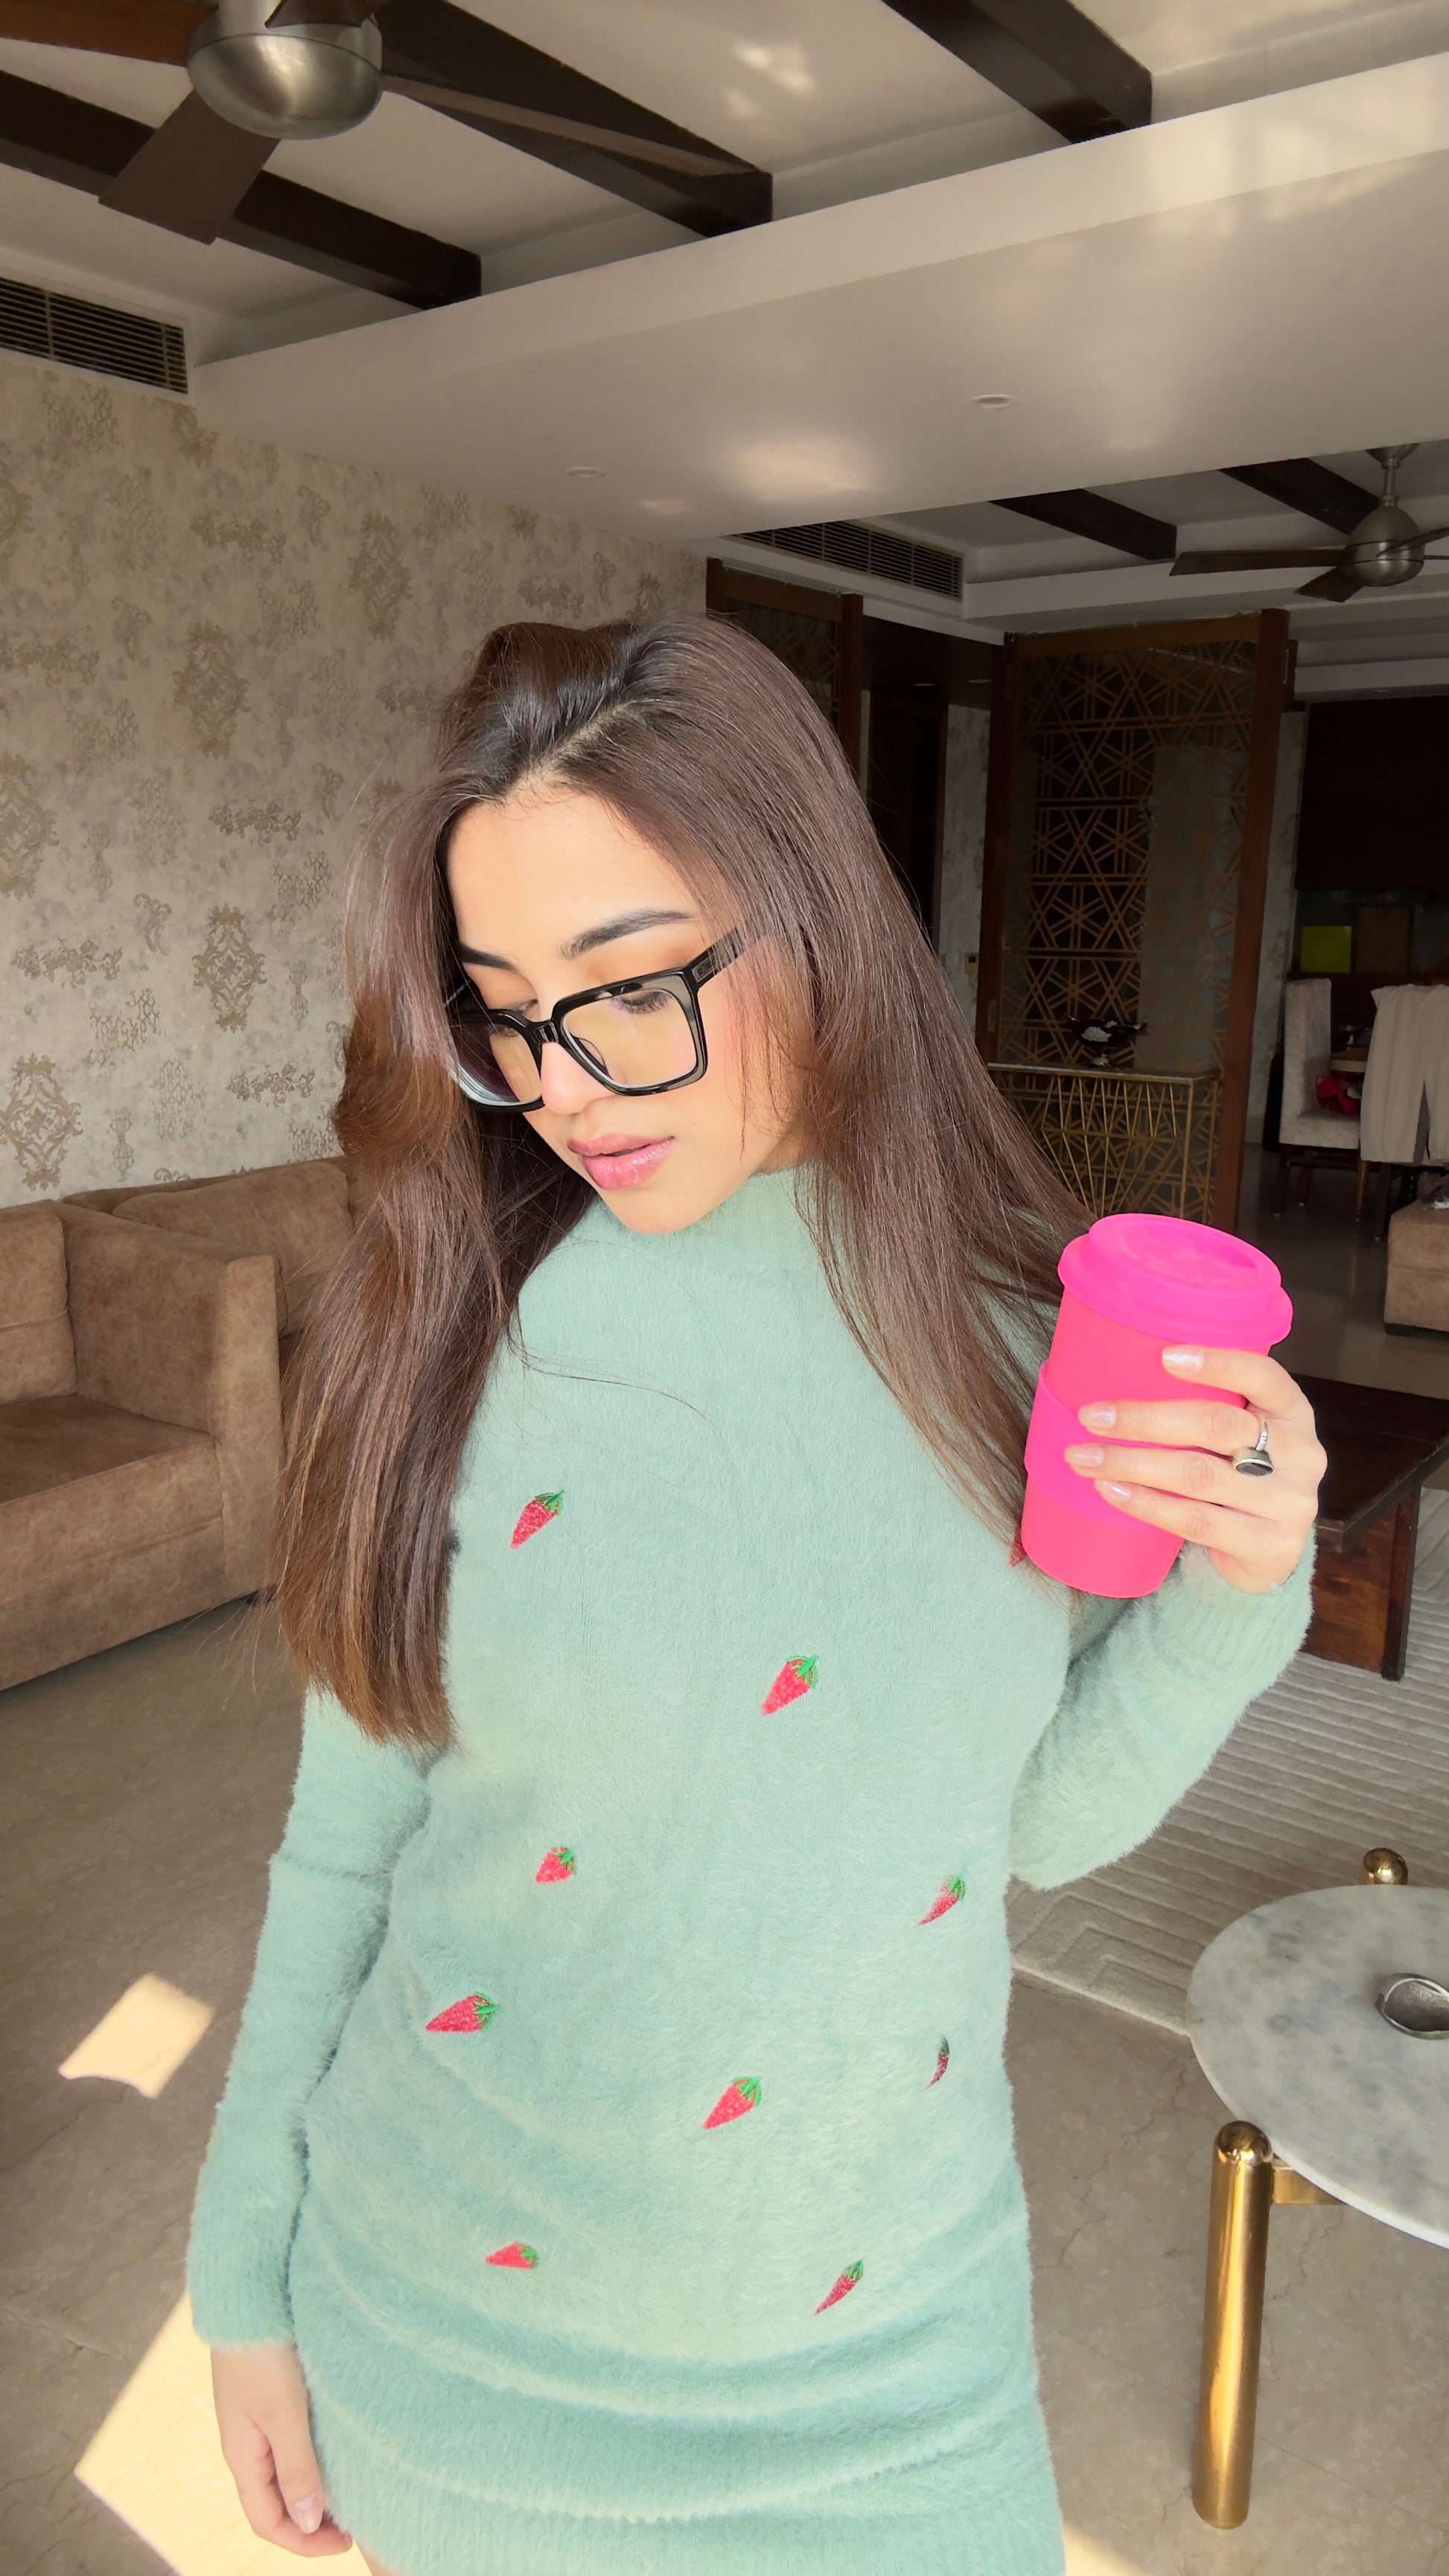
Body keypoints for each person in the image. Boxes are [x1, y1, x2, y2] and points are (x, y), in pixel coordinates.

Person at [188, 615, 1323, 2576]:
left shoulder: (1022, 1351)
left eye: (631, 988)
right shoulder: (445, 1340)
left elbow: (1024, 1826)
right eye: (505, 1014)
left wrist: (1238, 1586)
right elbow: (343, 1857)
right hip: (455, 2349)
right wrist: (240, 2282)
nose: (569, 1084)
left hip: (897, 2370)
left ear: (812, 921)